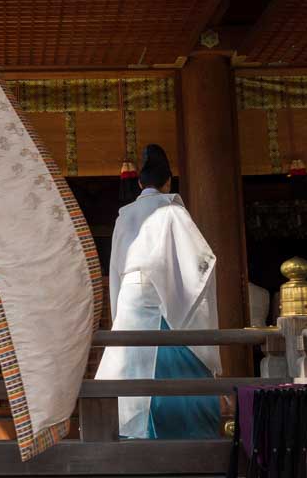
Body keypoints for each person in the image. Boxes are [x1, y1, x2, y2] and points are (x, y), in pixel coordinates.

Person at [96, 144, 221, 439]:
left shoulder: (123, 217)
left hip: (129, 301)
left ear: (140, 183)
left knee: (126, 374)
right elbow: (201, 263)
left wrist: (118, 312)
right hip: (160, 303)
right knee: (168, 379)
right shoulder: (172, 211)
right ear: (168, 182)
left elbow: (115, 269)